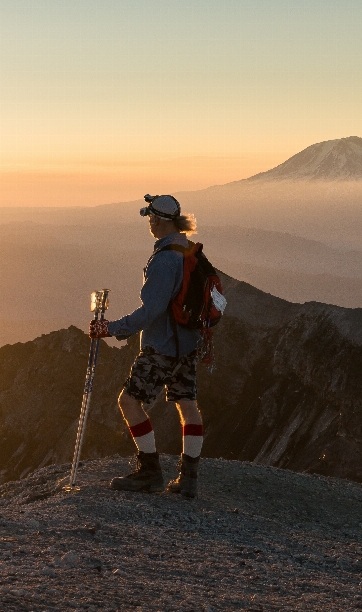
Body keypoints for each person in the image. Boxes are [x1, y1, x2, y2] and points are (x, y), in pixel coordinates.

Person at [88, 194, 204, 498]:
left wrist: (111, 329)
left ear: (162, 221)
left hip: (162, 346)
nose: (149, 223)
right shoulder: (189, 251)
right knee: (187, 404)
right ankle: (188, 478)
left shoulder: (165, 260)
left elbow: (151, 311)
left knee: (129, 401)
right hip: (188, 343)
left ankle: (149, 472)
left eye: (151, 218)